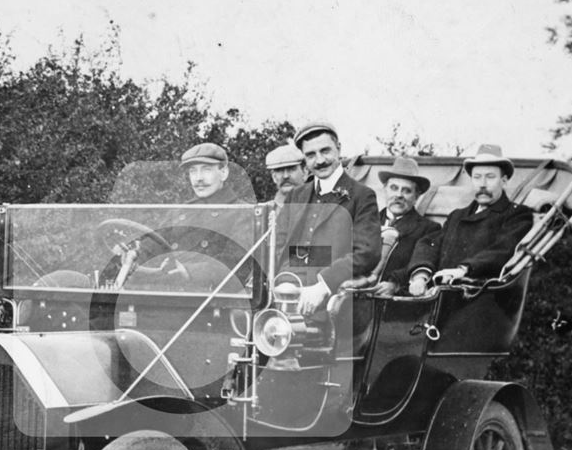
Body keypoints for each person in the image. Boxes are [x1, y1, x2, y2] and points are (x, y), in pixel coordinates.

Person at [280, 121, 381, 315]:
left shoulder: (361, 196)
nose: (319, 161)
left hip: (330, 300)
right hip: (284, 293)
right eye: (310, 155)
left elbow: (367, 253)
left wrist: (324, 285)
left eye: (325, 151)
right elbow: (279, 244)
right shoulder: (296, 195)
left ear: (339, 149)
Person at [124, 142, 255, 290]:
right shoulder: (181, 210)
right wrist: (136, 253)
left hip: (212, 303)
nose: (198, 178)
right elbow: (157, 241)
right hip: (170, 296)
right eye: (193, 171)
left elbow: (236, 267)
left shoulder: (243, 213)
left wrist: (189, 272)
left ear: (223, 173)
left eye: (206, 170)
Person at [406, 144, 533, 296]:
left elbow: (502, 251)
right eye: (477, 177)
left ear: (504, 181)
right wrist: (420, 276)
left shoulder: (517, 215)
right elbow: (430, 243)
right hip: (439, 296)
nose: (483, 184)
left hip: (481, 298)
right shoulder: (457, 216)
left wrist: (464, 269)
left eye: (490, 177)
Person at [371, 157, 441, 298]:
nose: (398, 195)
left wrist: (395, 284)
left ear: (417, 196)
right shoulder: (366, 221)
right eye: (394, 188)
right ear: (385, 190)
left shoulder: (429, 229)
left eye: (406, 191)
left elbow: (420, 264)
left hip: (393, 303)